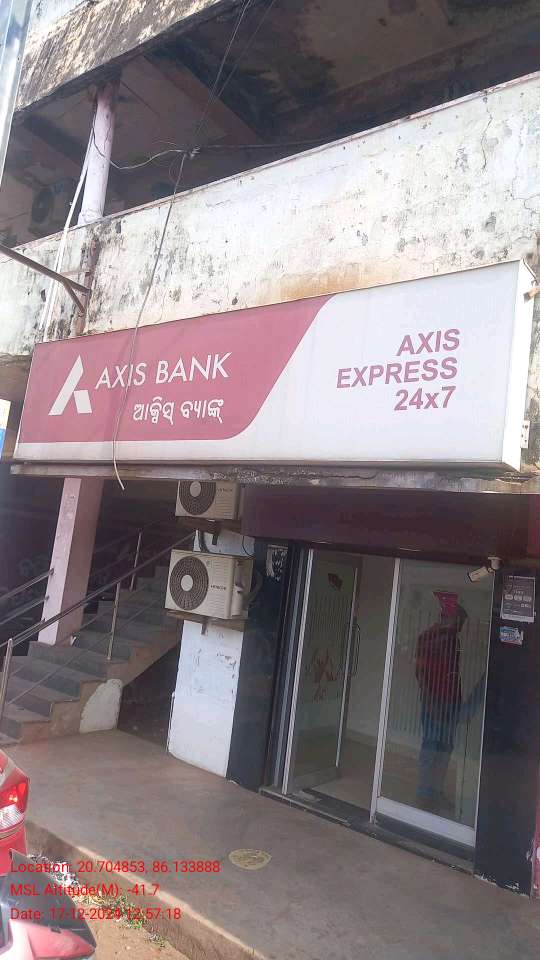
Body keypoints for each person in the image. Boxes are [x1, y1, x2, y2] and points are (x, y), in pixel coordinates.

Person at [415, 594, 467, 814]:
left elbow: (452, 674)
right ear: (450, 618)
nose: (462, 626)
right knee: (432, 746)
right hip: (435, 702)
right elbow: (421, 675)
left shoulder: (453, 639)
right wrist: (431, 704)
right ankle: (424, 795)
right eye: (460, 621)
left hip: (451, 702)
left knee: (445, 748)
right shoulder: (430, 638)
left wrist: (457, 703)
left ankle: (435, 792)